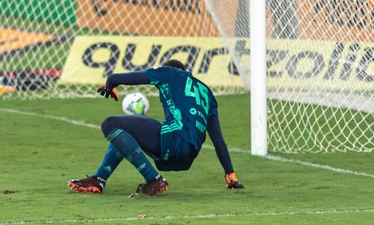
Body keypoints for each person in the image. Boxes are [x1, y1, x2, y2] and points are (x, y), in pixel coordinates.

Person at [67, 59, 244, 197]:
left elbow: (121, 78)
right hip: (188, 156)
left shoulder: (169, 73)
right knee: (124, 133)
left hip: (174, 139)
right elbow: (218, 139)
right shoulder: (208, 93)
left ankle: (154, 179)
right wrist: (231, 176)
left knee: (110, 124)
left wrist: (110, 84)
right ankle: (99, 179)